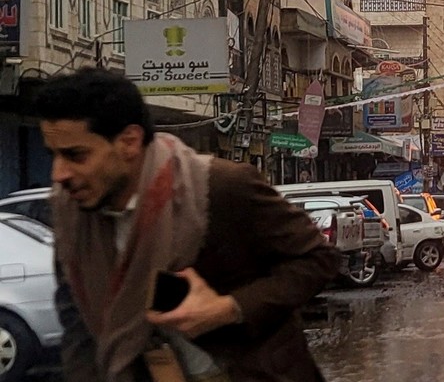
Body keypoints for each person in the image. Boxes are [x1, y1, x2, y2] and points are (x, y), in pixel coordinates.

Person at [34, 68, 339, 382]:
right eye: (53, 155)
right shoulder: (72, 214)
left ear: (129, 142)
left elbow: (319, 259)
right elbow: (78, 322)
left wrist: (228, 308)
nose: (59, 174)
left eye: (76, 155)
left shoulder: (220, 187)